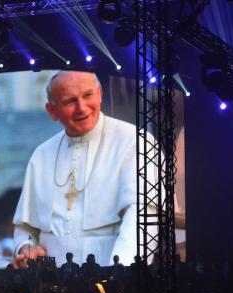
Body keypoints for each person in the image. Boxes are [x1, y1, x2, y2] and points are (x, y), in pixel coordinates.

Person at [13, 71, 158, 268]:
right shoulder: (42, 154)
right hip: (51, 283)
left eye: (88, 95)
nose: (82, 108)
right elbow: (26, 227)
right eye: (69, 101)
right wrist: (26, 247)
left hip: (112, 274)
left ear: (100, 94)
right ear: (52, 111)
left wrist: (120, 274)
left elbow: (142, 217)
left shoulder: (135, 142)